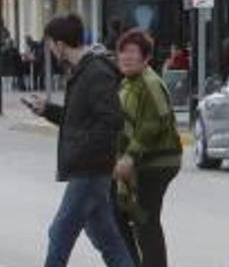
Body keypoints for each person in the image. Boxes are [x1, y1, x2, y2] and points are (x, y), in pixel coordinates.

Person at [24, 14, 136, 267]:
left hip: (89, 168)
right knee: (107, 238)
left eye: (50, 44)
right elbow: (79, 121)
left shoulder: (95, 73)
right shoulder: (82, 72)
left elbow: (111, 120)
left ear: (60, 45)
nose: (50, 50)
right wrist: (48, 110)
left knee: (60, 232)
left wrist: (81, 150)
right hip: (89, 167)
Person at [112, 31, 183, 267]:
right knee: (123, 214)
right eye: (122, 52)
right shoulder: (128, 83)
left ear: (145, 58)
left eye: (132, 52)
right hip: (143, 160)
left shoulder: (149, 83)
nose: (126, 57)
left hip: (157, 161)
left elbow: (154, 123)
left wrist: (130, 157)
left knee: (145, 219)